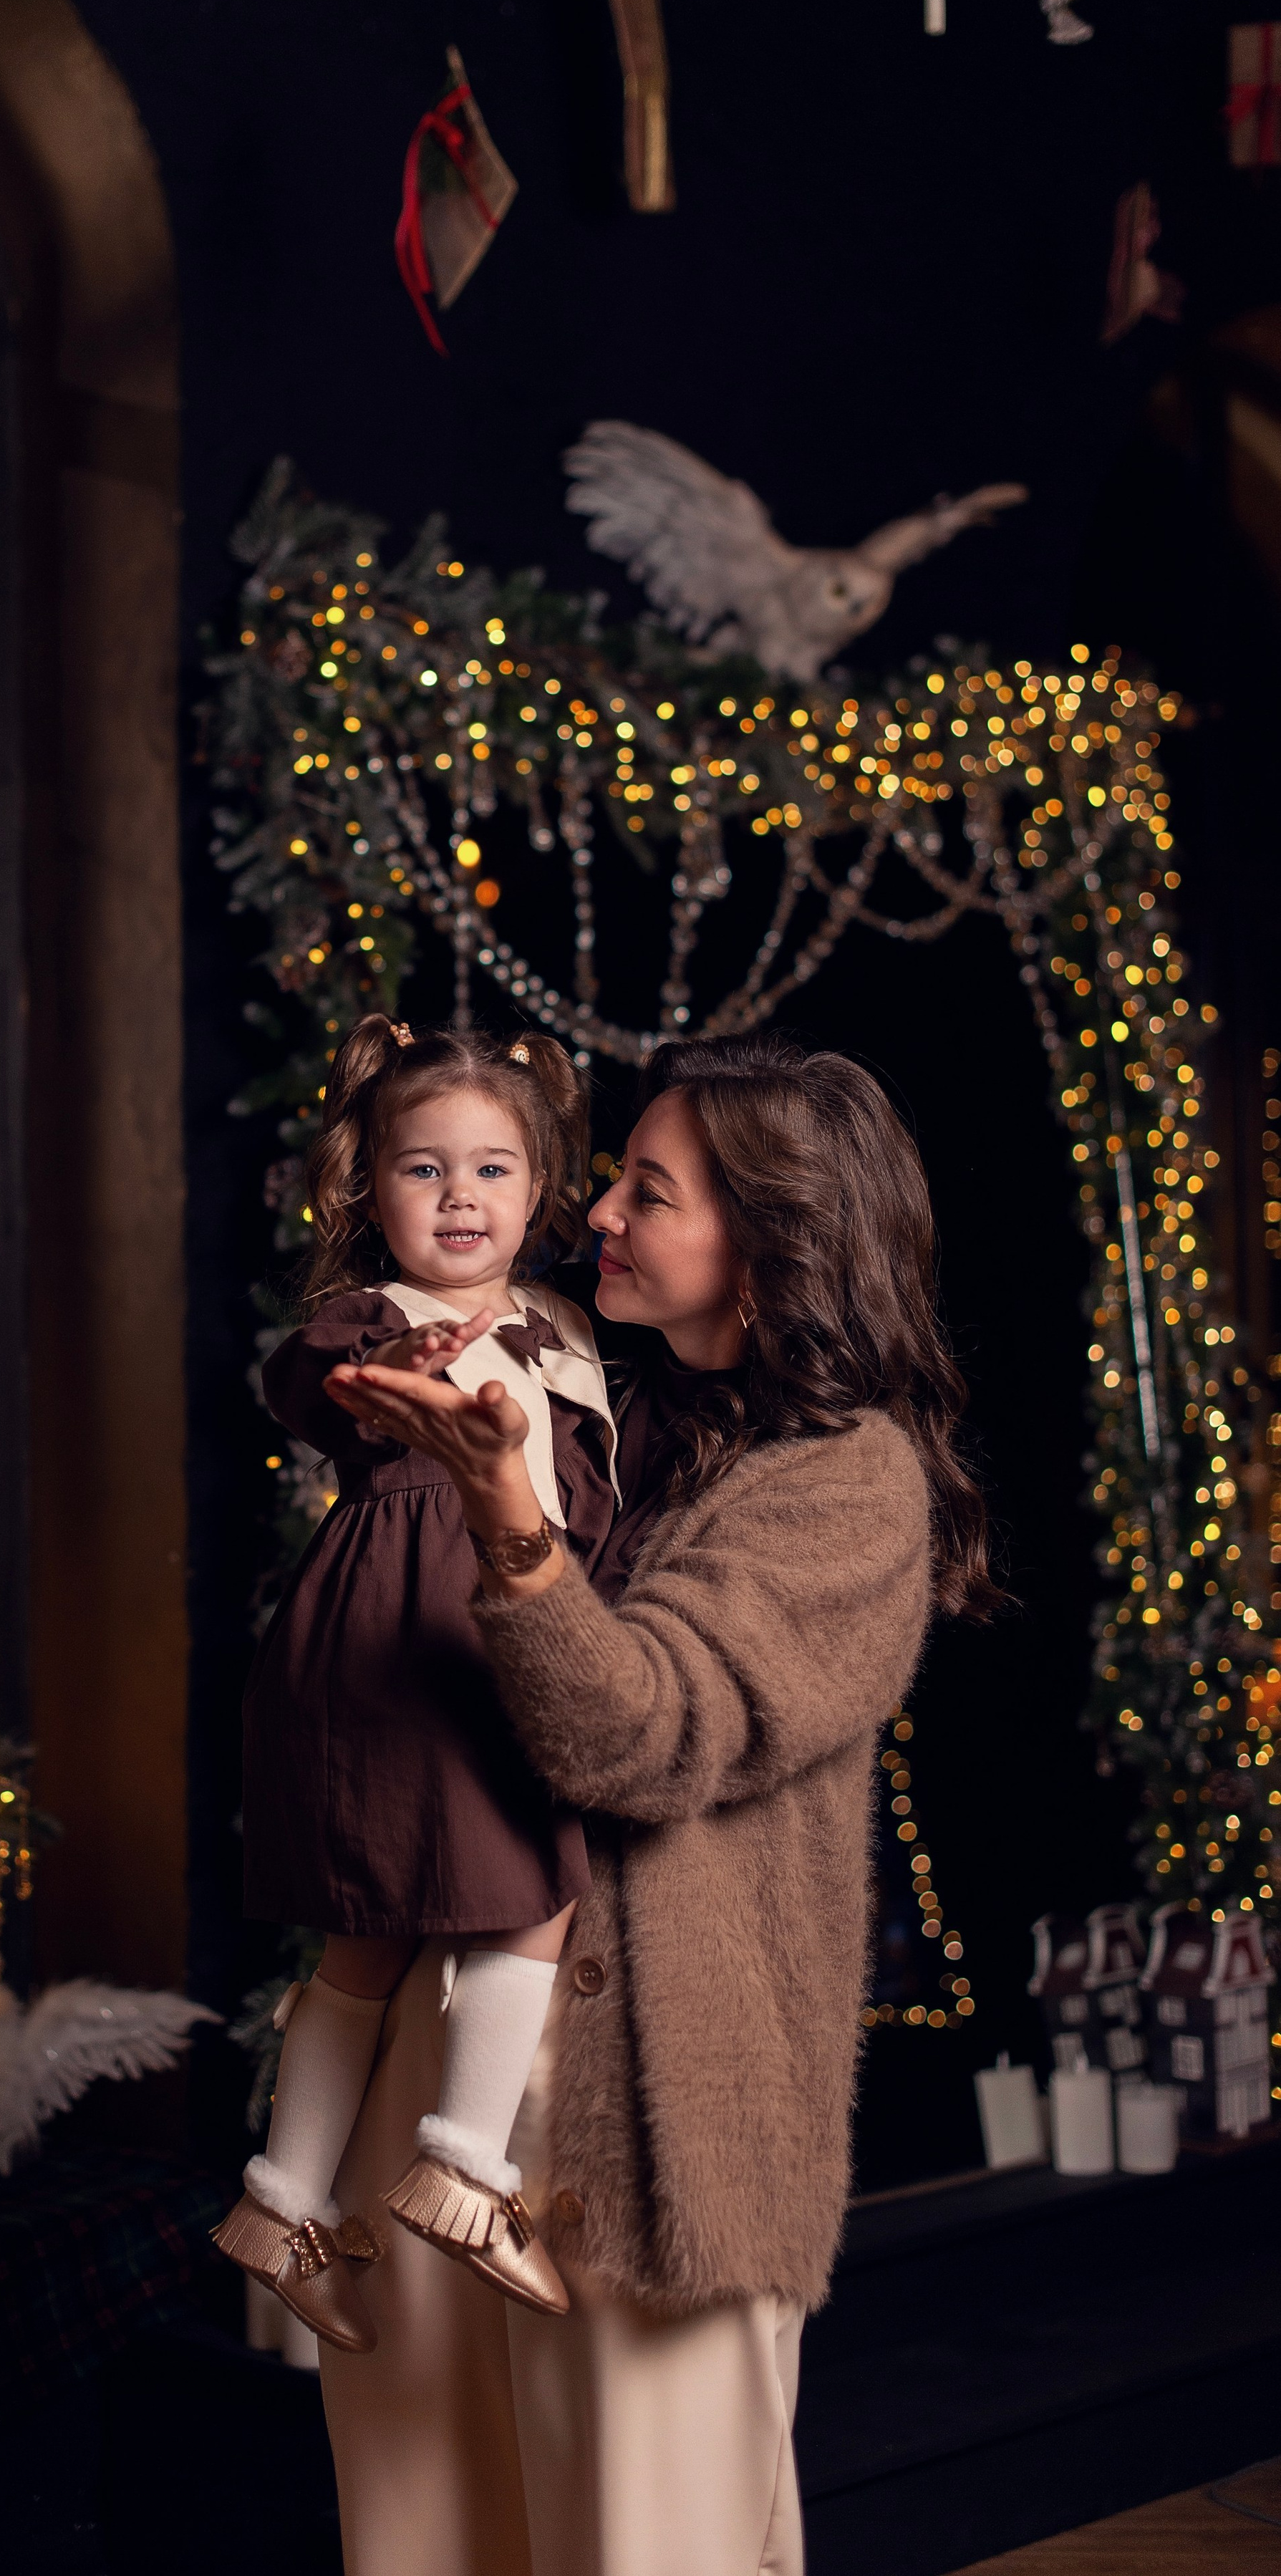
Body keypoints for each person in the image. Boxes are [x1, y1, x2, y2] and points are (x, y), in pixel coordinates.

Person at [310, 1032, 998, 2576]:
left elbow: (640, 1738)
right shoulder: (581, 1401)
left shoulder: (850, 1487)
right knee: (424, 2547)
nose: (597, 1210)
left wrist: (507, 1530)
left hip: (654, 2140)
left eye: (649, 1189)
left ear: (765, 1250)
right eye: (613, 1176)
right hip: (444, 2116)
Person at [215, 1016, 620, 2353]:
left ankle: (279, 2204)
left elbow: (590, 1498)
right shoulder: (379, 1321)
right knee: (542, 1880)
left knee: (367, 1948)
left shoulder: (558, 1328)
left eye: (494, 1170)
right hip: (412, 1638)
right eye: (423, 1169)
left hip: (505, 1628)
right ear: (366, 1187)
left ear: (543, 1185)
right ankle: (463, 2165)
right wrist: (388, 1380)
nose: (460, 1197)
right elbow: (308, 1380)